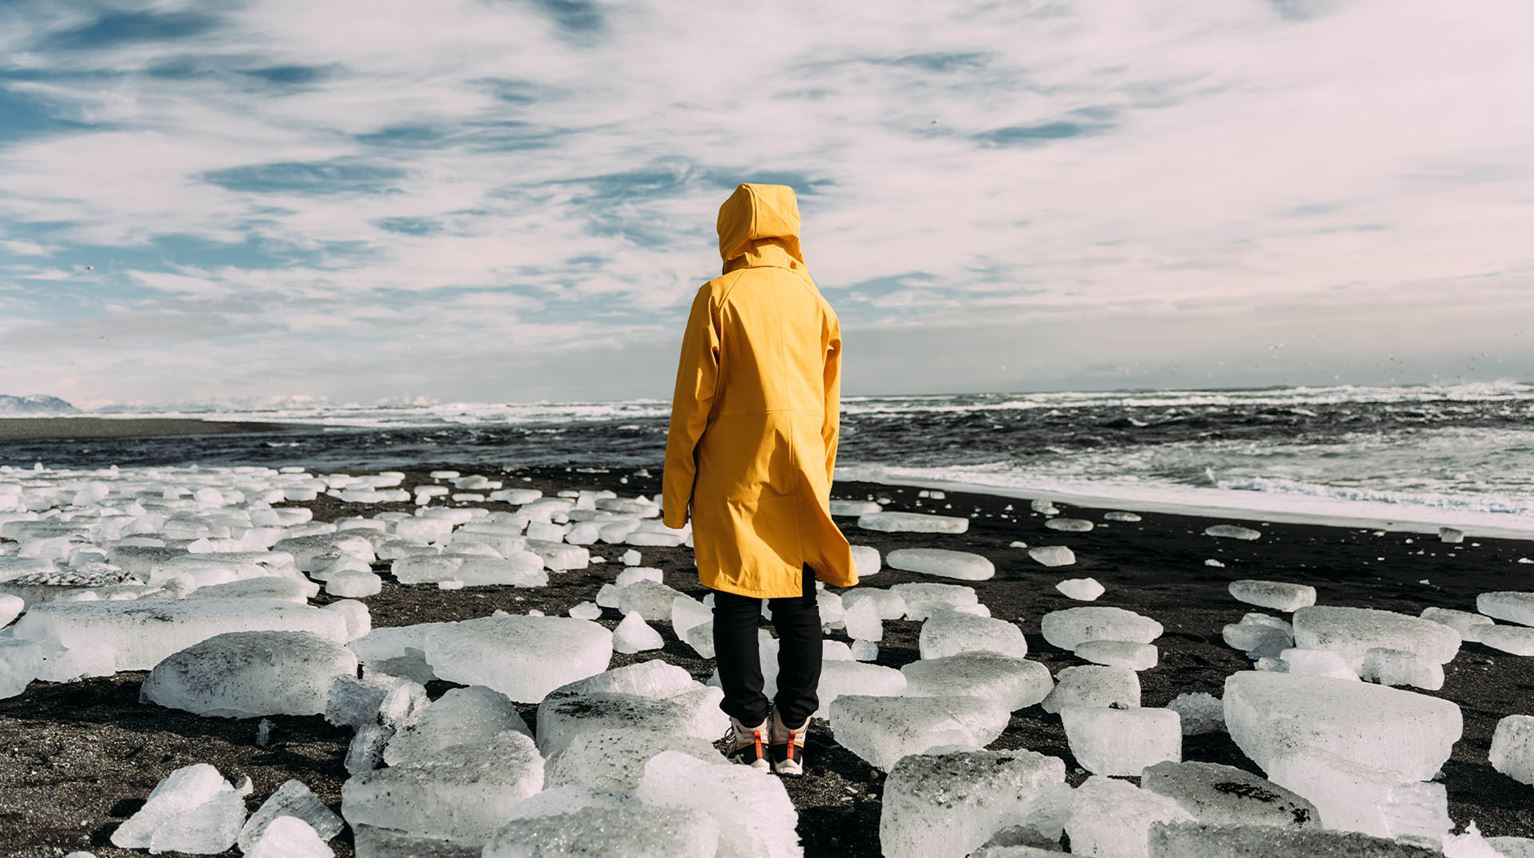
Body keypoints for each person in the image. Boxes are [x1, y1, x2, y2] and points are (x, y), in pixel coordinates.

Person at [662, 183, 857, 776]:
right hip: (798, 464)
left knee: (737, 599)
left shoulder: (719, 294)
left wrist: (677, 496)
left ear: (732, 230)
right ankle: (792, 728)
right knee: (799, 601)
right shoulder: (814, 300)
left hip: (732, 467)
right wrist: (820, 478)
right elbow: (830, 407)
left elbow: (691, 401)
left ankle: (750, 730)